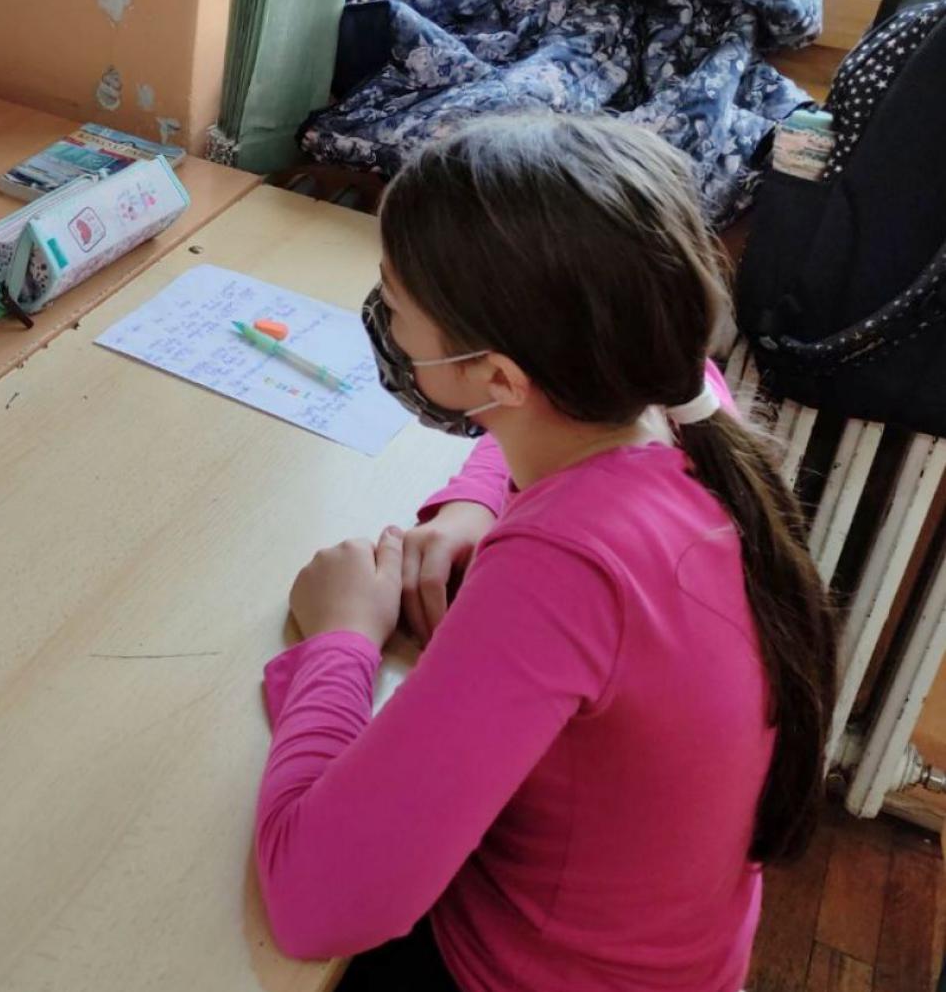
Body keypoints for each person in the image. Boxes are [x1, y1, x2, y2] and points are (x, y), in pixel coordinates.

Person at [254, 115, 836, 991]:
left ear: (500, 379)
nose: (385, 321)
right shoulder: (680, 398)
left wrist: (340, 637)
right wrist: (470, 504)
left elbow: (317, 902)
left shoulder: (564, 566)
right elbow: (538, 435)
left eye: (395, 305)